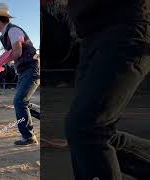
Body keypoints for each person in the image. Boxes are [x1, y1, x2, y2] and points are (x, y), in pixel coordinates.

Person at [64, 0, 150, 179]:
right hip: (91, 36)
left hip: (127, 26)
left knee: (86, 128)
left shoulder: (13, 32)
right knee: (90, 133)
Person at [0, 3, 40, 146]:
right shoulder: (7, 34)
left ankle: (28, 136)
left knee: (19, 101)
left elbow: (17, 52)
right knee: (23, 102)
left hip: (30, 68)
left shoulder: (13, 31)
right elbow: (11, 53)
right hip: (26, 70)